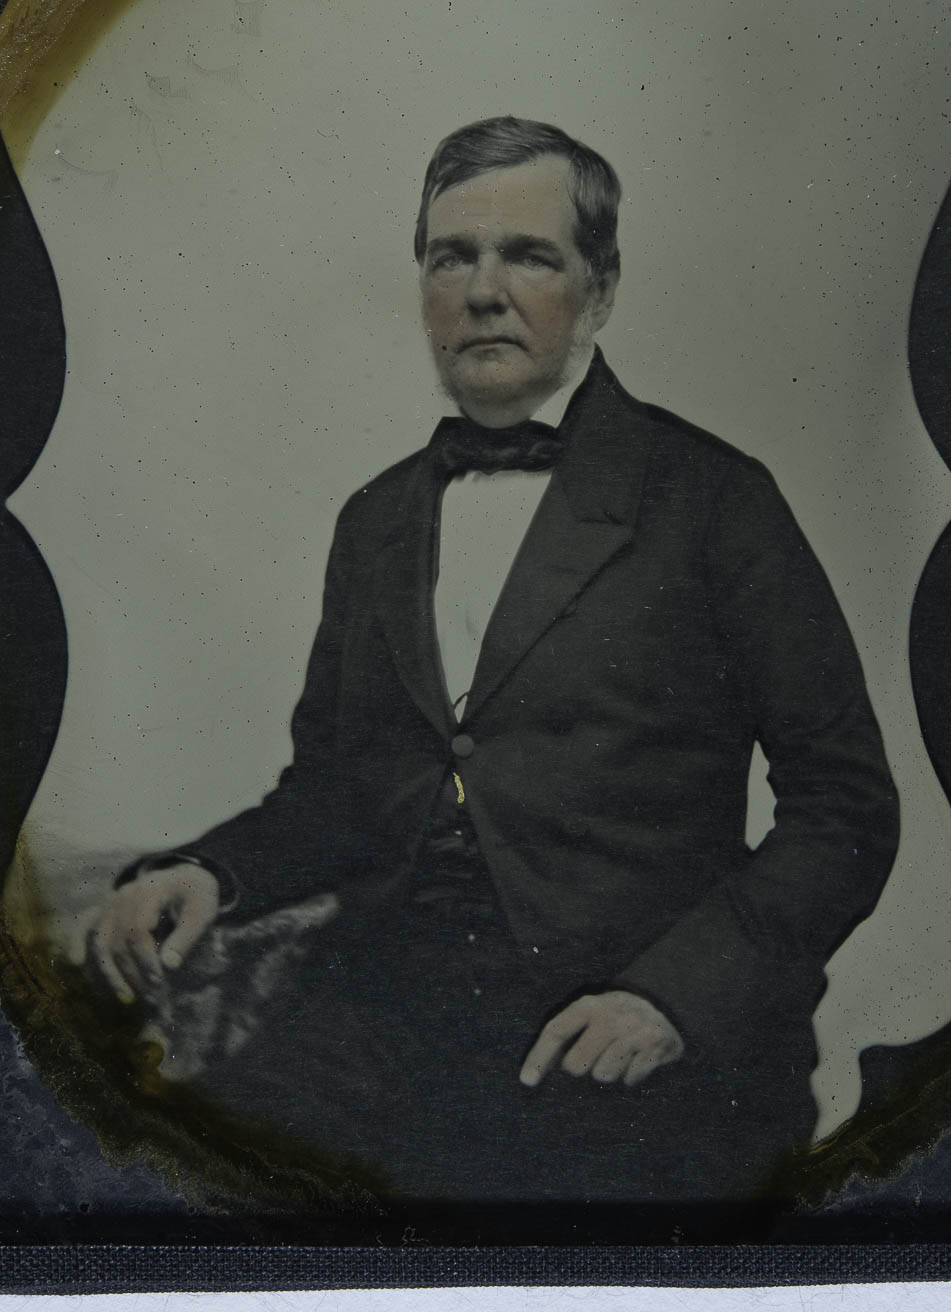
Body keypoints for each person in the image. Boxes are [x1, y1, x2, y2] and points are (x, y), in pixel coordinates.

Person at [89, 116, 899, 1205]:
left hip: (630, 1046)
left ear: (600, 291)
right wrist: (208, 871)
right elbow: (337, 792)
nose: (481, 291)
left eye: (527, 255)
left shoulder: (715, 500)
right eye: (450, 257)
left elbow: (845, 810)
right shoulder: (376, 520)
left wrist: (671, 1000)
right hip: (388, 1041)